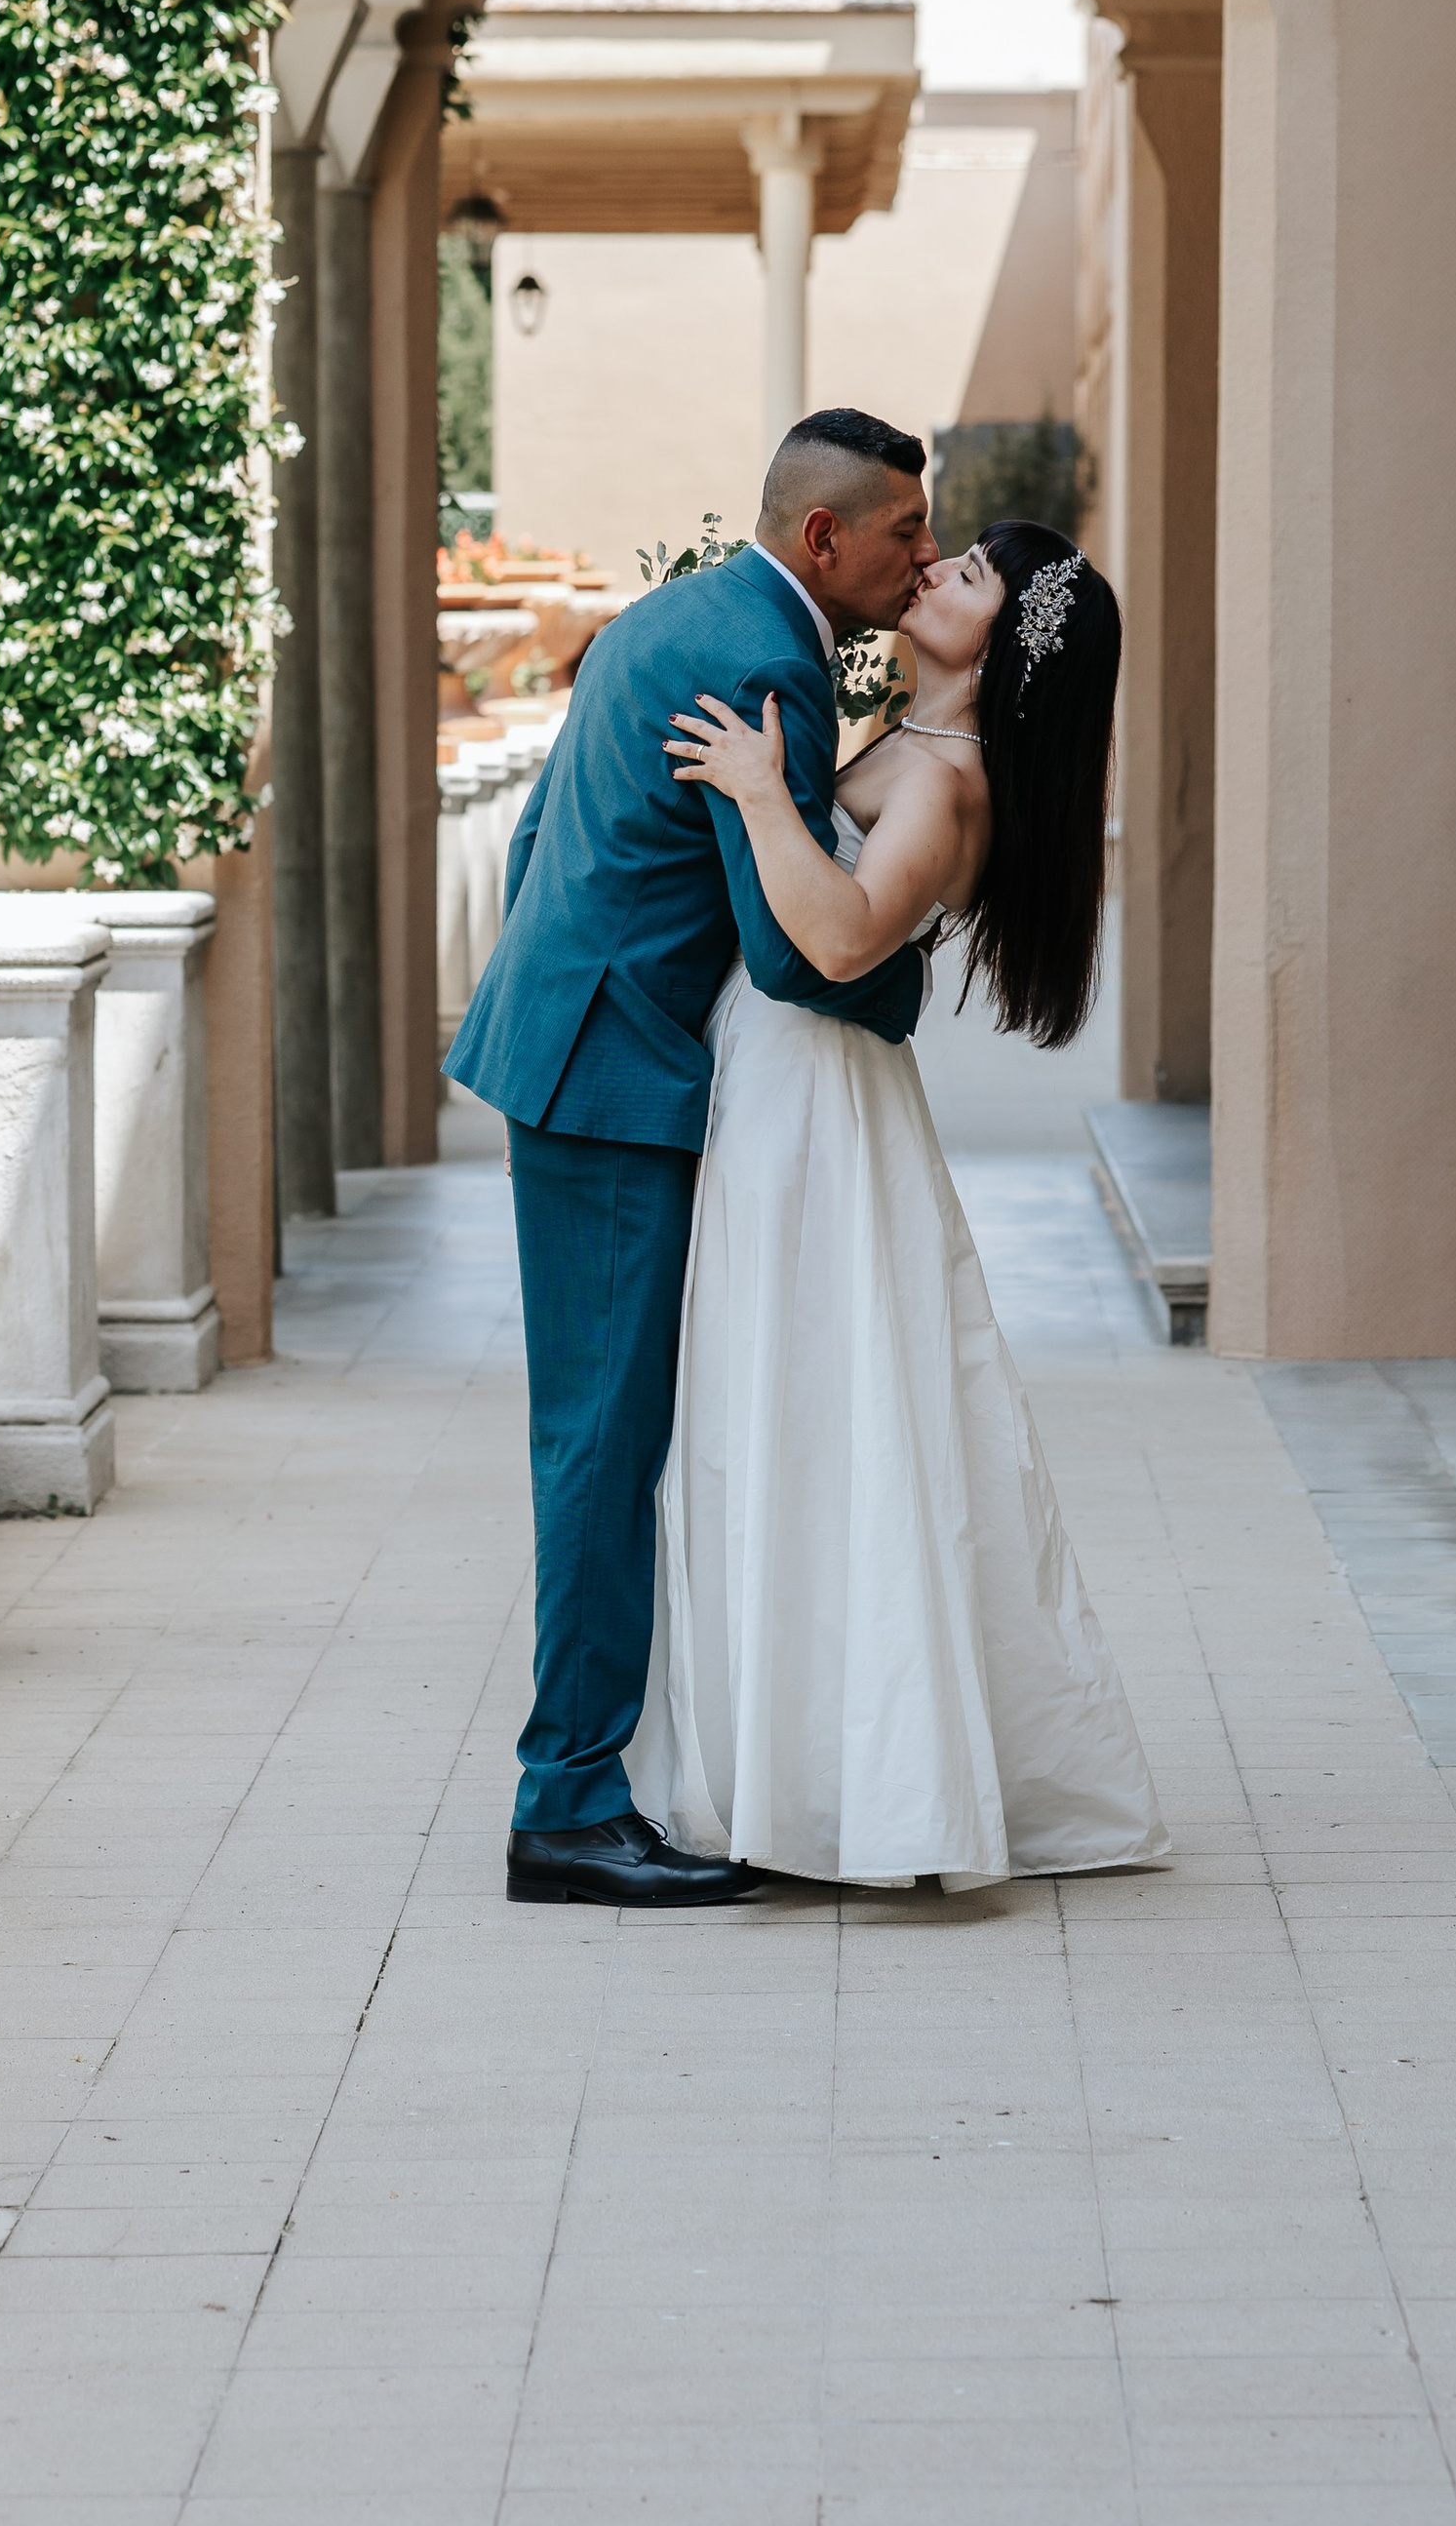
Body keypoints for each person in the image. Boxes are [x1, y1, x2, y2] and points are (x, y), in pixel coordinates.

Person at [448, 410, 937, 1905]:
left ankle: (590, 1783)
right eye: (908, 532)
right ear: (825, 540)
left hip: (577, 1048)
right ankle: (568, 1808)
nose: (927, 558)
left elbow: (539, 847)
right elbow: (796, 958)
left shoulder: (677, 611)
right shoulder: (766, 655)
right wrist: (902, 981)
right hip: (610, 1078)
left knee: (600, 1439)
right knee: (601, 1448)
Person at [646, 517, 1169, 1887]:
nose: (933, 569)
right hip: (792, 1091)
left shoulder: (948, 783)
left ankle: (850, 1785)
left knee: (816, 1419)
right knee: (798, 1415)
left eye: (969, 574)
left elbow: (836, 937)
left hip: (815, 1104)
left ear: (1001, 646)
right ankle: (806, 1764)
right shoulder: (920, 747)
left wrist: (767, 791)